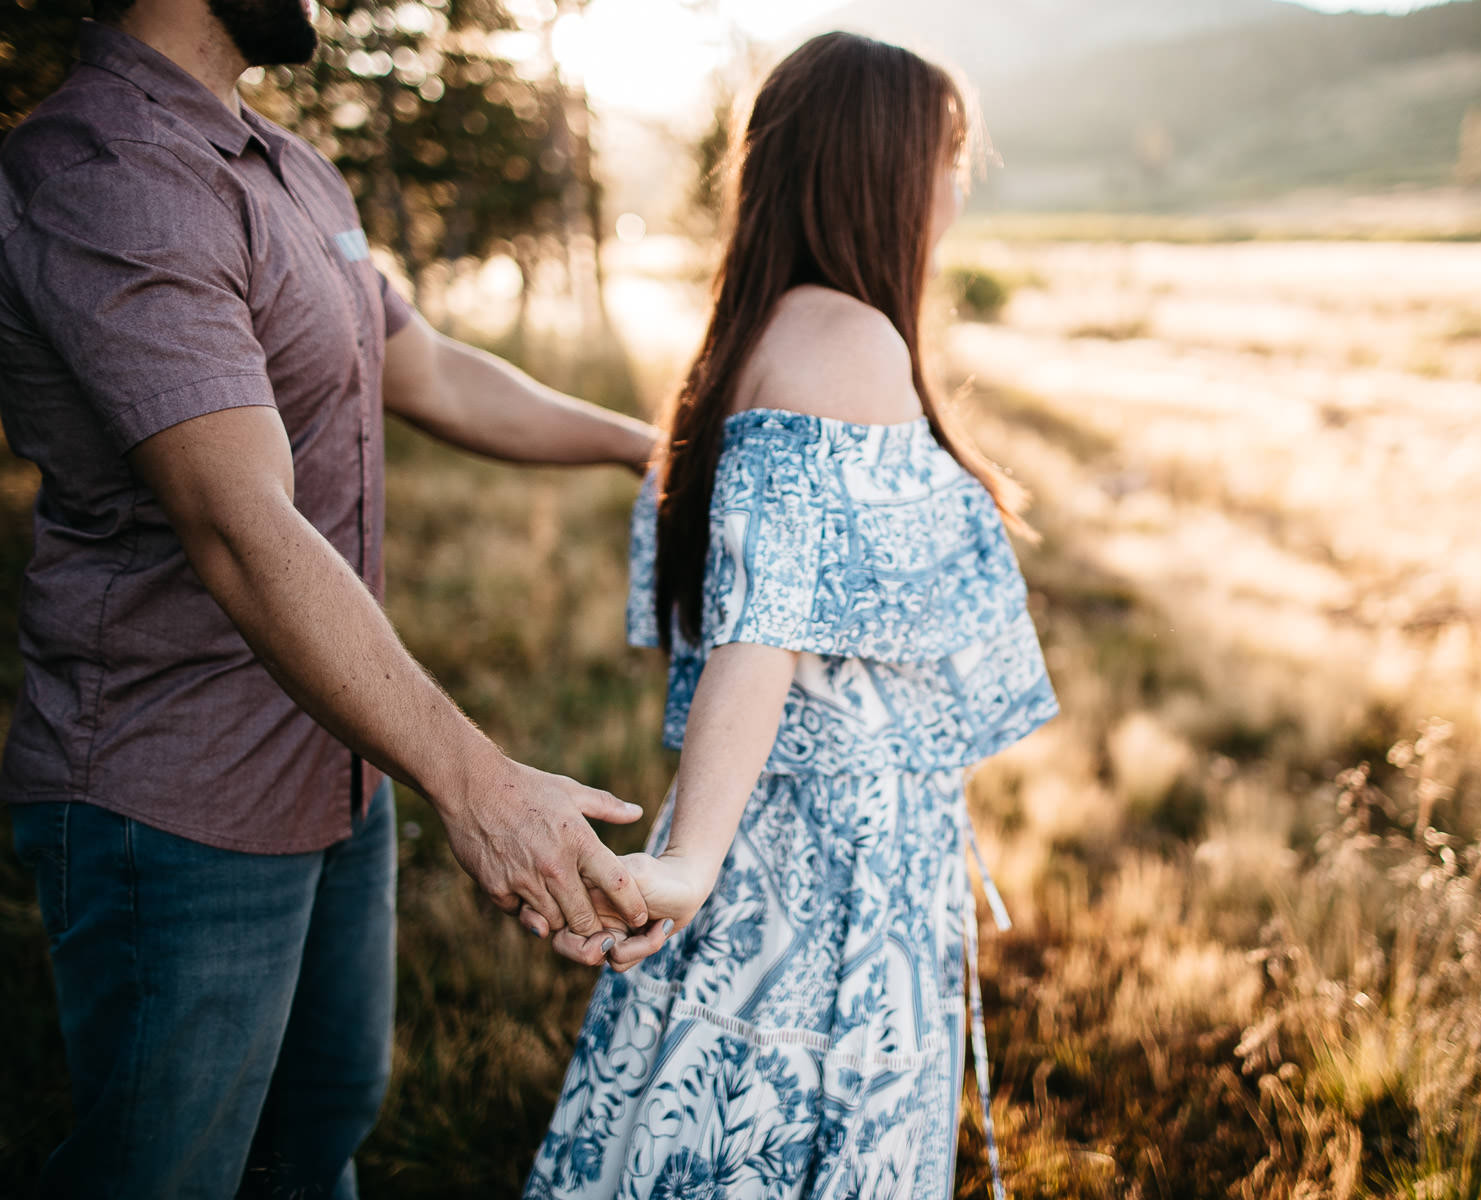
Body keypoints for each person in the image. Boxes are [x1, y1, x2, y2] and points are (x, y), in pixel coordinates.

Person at [0, 0, 671, 1195]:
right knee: (164, 1175)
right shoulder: (106, 171)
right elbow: (241, 526)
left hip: (341, 758)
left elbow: (436, 374)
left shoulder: (290, 165)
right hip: (178, 795)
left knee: (320, 1135)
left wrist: (645, 447)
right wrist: (482, 787)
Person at [523, 31, 1059, 1199]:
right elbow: (760, 625)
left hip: (797, 844)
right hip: (832, 879)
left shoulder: (754, 339)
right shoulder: (849, 345)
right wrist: (693, 861)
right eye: (949, 156)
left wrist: (701, 852)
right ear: (884, 168)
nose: (956, 190)